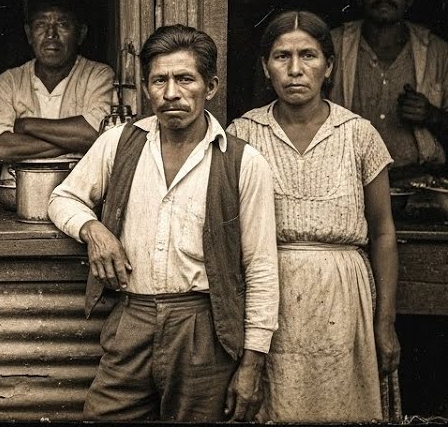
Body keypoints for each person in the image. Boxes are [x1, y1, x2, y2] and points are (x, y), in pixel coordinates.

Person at [48, 24, 279, 422]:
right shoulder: (119, 142)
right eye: (160, 80)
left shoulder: (244, 162)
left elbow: (261, 269)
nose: (171, 93)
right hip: (131, 317)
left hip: (202, 327)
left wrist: (251, 366)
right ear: (146, 87)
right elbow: (63, 197)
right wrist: (94, 231)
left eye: (185, 79)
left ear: (212, 86)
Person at [229, 10, 401, 422]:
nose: (294, 70)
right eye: (281, 56)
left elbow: (383, 233)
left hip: (344, 297)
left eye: (308, 56)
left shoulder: (358, 134)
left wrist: (385, 322)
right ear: (265, 67)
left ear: (329, 67)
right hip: (271, 297)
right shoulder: (242, 134)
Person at [330, 0, 448, 182]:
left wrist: (431, 115)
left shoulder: (437, 51)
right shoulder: (333, 46)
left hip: (417, 182)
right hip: (345, 182)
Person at [0, 0, 114, 176]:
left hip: (80, 193)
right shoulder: (8, 82)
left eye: (62, 24)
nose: (51, 35)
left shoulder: (98, 75)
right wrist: (74, 142)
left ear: (81, 34)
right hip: (18, 193)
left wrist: (26, 125)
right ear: (29, 34)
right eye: (41, 25)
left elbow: (94, 133)